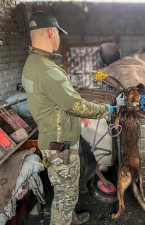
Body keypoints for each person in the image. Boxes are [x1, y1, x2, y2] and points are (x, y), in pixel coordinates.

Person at [22, 11, 114, 225]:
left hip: (57, 140)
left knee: (67, 188)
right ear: (51, 32)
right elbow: (75, 105)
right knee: (65, 194)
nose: (59, 38)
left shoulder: (33, 63)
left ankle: (70, 218)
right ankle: (64, 220)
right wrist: (106, 109)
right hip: (60, 146)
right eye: (59, 34)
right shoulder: (46, 69)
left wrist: (76, 114)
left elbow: (58, 102)